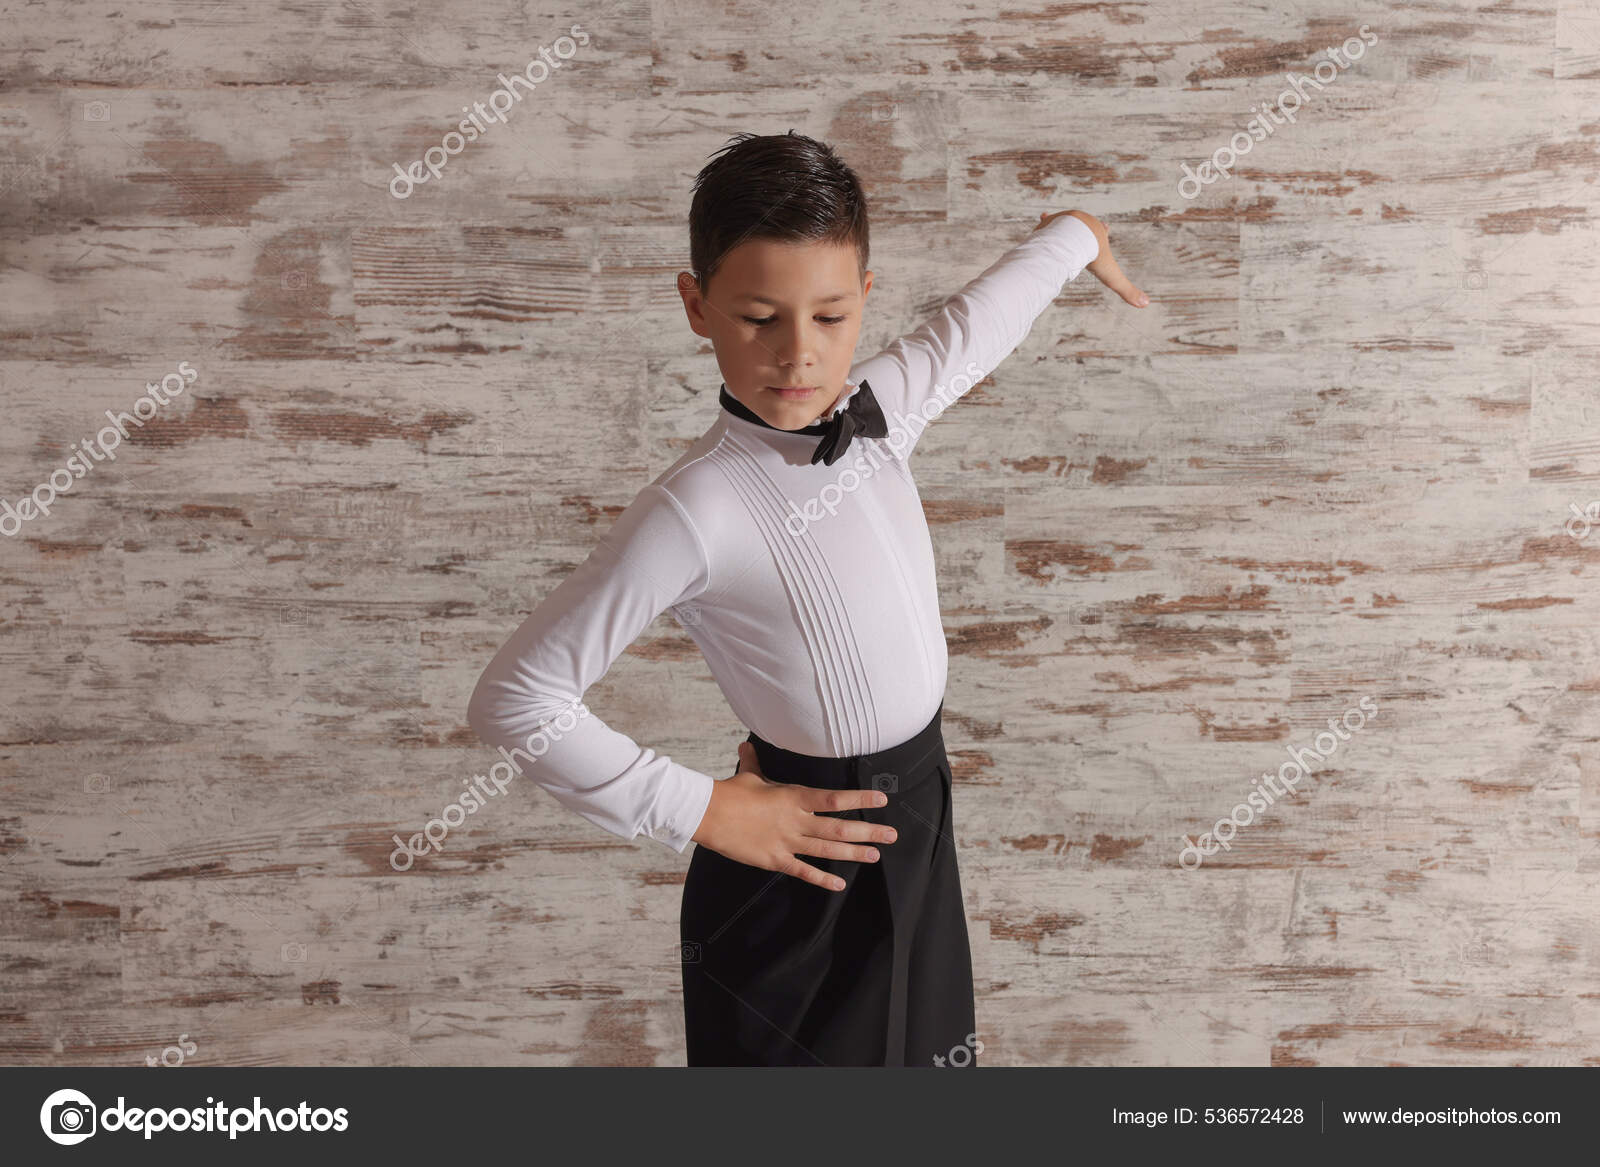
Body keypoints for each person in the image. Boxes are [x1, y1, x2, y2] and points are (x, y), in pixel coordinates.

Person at [466, 129, 1147, 1066]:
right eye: (759, 318)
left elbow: (977, 323)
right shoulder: (695, 509)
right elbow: (515, 698)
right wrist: (705, 810)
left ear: (864, 296)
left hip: (920, 824)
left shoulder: (878, 408)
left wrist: (1073, 235)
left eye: (830, 317)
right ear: (696, 305)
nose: (799, 355)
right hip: (801, 867)